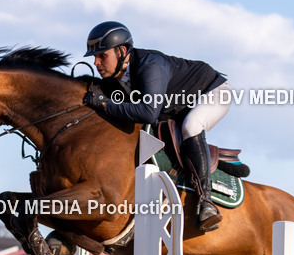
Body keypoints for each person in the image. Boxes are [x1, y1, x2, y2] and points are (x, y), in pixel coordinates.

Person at [81, 21, 231, 232]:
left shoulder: (150, 65)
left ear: (122, 51)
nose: (96, 62)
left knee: (192, 126)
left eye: (102, 56)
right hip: (175, 106)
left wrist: (105, 105)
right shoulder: (117, 76)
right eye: (95, 57)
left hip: (212, 91)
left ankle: (206, 202)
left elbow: (148, 113)